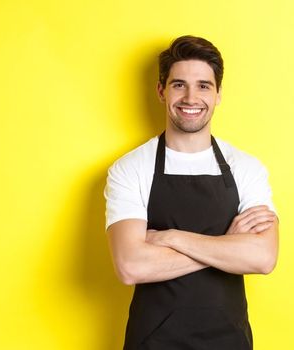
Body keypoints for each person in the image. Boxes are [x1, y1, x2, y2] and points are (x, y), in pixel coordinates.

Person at [104, 35, 279, 349]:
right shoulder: (130, 168)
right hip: (153, 342)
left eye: (203, 86)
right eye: (179, 84)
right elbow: (131, 266)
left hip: (229, 340)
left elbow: (264, 258)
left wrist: (170, 237)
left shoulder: (246, 168)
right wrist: (228, 244)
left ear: (218, 94)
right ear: (161, 90)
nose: (190, 98)